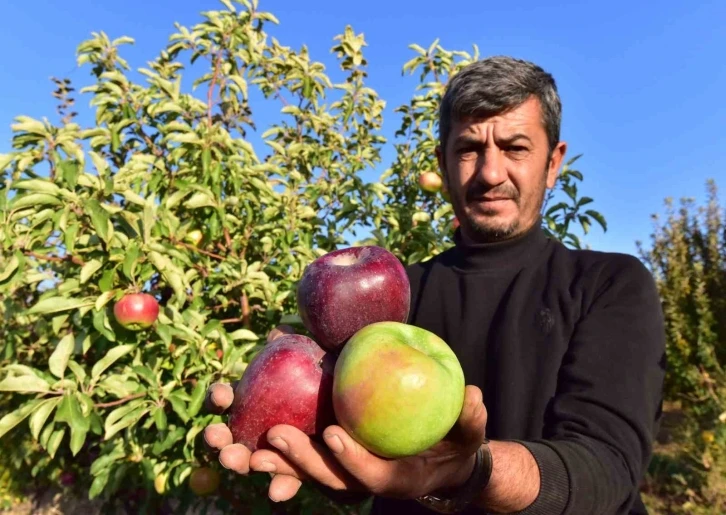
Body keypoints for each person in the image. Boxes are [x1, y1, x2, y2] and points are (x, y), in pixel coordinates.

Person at [202, 56, 666, 514]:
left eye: (516, 148)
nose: (489, 172)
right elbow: (354, 454)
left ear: (553, 162)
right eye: (468, 148)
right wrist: (308, 429)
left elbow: (607, 468)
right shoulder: (394, 295)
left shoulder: (611, 284)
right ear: (442, 162)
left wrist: (468, 473)